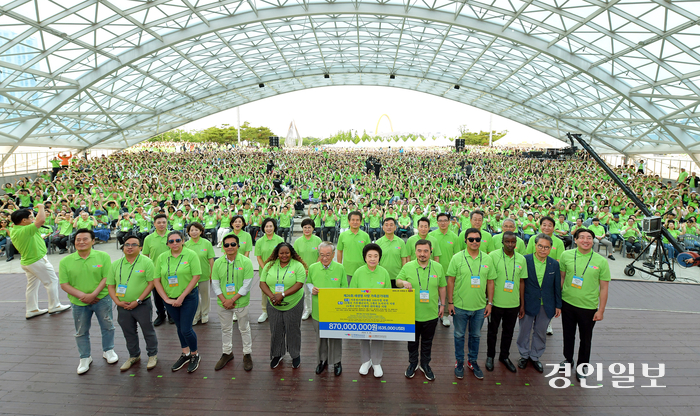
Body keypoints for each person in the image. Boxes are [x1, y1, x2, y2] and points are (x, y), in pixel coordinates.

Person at [59, 229, 117, 374]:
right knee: (81, 331)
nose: (81, 242)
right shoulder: (66, 261)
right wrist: (83, 296)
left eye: (85, 239)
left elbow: (106, 278)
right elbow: (64, 284)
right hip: (79, 302)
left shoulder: (103, 256)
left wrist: (93, 294)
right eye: (78, 239)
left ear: (93, 241)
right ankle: (85, 357)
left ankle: (108, 350)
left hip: (101, 299)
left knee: (107, 325)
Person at [559, 228, 610, 380]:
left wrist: (601, 310)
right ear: (575, 240)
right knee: (568, 335)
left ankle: (583, 366)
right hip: (567, 303)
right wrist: (558, 301)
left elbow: (604, 288)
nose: (585, 240)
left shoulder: (601, 261)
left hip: (588, 307)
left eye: (589, 238)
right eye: (581, 237)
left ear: (593, 241)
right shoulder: (566, 255)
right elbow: (562, 278)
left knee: (585, 338)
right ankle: (568, 359)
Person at [446, 228, 495, 380]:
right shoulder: (457, 258)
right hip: (460, 306)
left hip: (480, 307)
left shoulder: (487, 259)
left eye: (477, 239)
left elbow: (491, 282)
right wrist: (450, 302)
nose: (474, 242)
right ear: (465, 241)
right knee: (459, 335)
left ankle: (472, 361)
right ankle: (459, 362)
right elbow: (451, 281)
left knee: (476, 336)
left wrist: (490, 303)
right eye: (471, 239)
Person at [395, 239, 446, 381]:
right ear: (415, 252)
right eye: (419, 251)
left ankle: (425, 364)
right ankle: (412, 364)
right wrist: (403, 282)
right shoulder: (408, 267)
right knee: (412, 342)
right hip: (412, 313)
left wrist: (442, 305)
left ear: (431, 251)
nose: (422, 254)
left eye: (425, 251)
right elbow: (398, 282)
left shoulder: (438, 267)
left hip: (431, 314)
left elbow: (442, 286)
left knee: (427, 342)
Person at [153, 231, 203, 373]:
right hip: (169, 298)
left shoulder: (190, 255)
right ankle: (185, 353)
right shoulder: (162, 257)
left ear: (182, 240)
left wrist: (181, 297)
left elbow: (196, 276)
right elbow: (156, 279)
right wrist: (165, 298)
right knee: (179, 326)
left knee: (186, 329)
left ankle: (195, 354)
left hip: (188, 297)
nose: (174, 243)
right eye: (171, 241)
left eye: (177, 240)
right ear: (167, 243)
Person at [107, 235, 159, 371]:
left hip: (141, 304)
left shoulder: (146, 262)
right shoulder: (116, 264)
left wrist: (138, 300)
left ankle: (152, 354)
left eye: (134, 245)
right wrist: (117, 302)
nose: (129, 247)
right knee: (128, 332)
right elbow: (111, 285)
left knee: (148, 330)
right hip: (122, 305)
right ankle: (134, 355)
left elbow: (151, 283)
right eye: (127, 244)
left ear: (140, 248)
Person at [10, 206, 71, 319]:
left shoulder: (16, 229)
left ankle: (32, 309)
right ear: (23, 220)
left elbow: (37, 222)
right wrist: (42, 207)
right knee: (51, 281)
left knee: (32, 286)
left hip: (28, 261)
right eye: (30, 217)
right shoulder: (24, 230)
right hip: (36, 260)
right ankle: (54, 306)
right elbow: (41, 220)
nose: (32, 219)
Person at [517, 233, 561, 373]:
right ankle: (524, 355)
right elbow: (521, 282)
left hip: (546, 304)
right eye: (540, 246)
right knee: (524, 331)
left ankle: (535, 356)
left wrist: (558, 305)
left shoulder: (553, 264)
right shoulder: (525, 260)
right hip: (528, 302)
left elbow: (556, 286)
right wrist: (520, 304)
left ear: (551, 248)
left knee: (540, 332)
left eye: (546, 247)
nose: (543, 249)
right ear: (535, 246)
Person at [259, 242, 307, 369]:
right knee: (276, 329)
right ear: (277, 254)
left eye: (287, 253)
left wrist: (283, 294)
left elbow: (299, 284)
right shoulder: (269, 265)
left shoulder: (298, 266)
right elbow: (262, 283)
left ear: (291, 253)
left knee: (293, 329)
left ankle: (295, 355)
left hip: (294, 303)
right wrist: (272, 296)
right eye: (281, 253)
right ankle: (277, 354)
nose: (284, 255)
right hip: (273, 302)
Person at [485, 231, 527, 373]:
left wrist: (522, 304)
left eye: (513, 242)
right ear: (502, 242)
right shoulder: (492, 256)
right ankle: (490, 356)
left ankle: (504, 356)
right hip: (496, 303)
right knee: (492, 332)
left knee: (508, 332)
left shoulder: (521, 259)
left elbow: (521, 282)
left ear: (516, 243)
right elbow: (488, 280)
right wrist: (488, 302)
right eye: (507, 241)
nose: (510, 244)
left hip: (513, 304)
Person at [212, 233, 254, 372]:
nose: (229, 247)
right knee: (225, 329)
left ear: (238, 245)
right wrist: (225, 300)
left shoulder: (246, 261)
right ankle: (227, 353)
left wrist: (232, 300)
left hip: (240, 302)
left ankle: (247, 354)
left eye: (233, 244)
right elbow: (215, 283)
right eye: (226, 245)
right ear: (223, 247)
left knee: (244, 328)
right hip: (223, 303)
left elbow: (247, 285)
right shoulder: (218, 262)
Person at [350, 243, 391, 378]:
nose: (372, 259)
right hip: (362, 311)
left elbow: (389, 294)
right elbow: (352, 293)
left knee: (378, 336)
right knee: (363, 336)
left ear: (379, 258)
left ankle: (376, 362)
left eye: (375, 256)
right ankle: (366, 361)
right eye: (369, 256)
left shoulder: (384, 272)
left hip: (379, 312)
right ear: (365, 258)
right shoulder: (358, 272)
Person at [307, 242, 347, 376]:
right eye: (322, 255)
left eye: (328, 255)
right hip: (318, 310)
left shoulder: (340, 268)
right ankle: (321, 360)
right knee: (320, 337)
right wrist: (311, 288)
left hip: (335, 310)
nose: (325, 258)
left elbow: (344, 288)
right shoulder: (313, 268)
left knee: (335, 337)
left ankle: (336, 361)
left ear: (334, 255)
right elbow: (308, 282)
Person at [429, 212, 461, 327]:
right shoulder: (431, 236)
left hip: (448, 271)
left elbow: (457, 255)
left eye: (445, 220)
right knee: (433, 293)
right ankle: (433, 313)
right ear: (436, 222)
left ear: (449, 221)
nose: (443, 223)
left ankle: (445, 315)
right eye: (440, 221)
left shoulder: (454, 237)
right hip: (432, 270)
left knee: (447, 294)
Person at [254, 218, 284, 323]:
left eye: (271, 226)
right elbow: (258, 257)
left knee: (277, 289)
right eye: (266, 226)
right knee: (265, 292)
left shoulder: (280, 240)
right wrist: (265, 268)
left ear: (274, 227)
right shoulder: (259, 241)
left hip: (278, 270)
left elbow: (283, 255)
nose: (269, 228)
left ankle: (278, 309)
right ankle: (265, 311)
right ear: (263, 228)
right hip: (264, 271)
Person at [185, 222, 215, 325]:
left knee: (205, 295)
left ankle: (205, 313)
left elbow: (211, 259)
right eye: (191, 230)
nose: (194, 232)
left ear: (201, 231)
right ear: (188, 232)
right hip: (190, 277)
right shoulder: (186, 245)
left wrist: (212, 272)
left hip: (204, 274)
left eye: (196, 230)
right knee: (194, 296)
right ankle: (196, 314)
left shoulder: (206, 243)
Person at [293, 218, 322, 321]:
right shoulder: (298, 241)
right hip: (303, 271)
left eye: (309, 227)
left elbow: (320, 255)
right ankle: (308, 310)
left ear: (313, 228)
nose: (307, 229)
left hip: (316, 271)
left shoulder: (317, 240)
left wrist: (313, 269)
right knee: (306, 292)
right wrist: (303, 269)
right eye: (305, 227)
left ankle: (317, 310)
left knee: (317, 291)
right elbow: (296, 257)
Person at [337, 210, 371, 284]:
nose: (355, 222)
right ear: (349, 221)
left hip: (362, 269)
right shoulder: (343, 235)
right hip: (347, 270)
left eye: (357, 220)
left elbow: (369, 252)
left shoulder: (365, 236)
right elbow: (339, 251)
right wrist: (339, 266)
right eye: (353, 220)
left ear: (360, 221)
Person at [376, 217, 409, 288]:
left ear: (395, 227)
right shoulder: (378, 242)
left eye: (391, 225)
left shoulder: (401, 242)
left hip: (397, 278)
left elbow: (404, 260)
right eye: (386, 225)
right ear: (383, 228)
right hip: (382, 277)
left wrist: (403, 275)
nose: (389, 227)